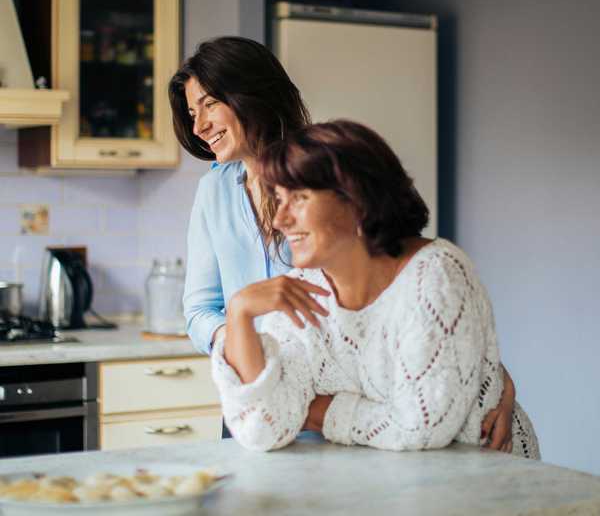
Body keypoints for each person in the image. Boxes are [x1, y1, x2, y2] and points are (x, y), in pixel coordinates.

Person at [169, 36, 516, 451]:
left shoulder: (328, 165)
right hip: (264, 393)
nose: (199, 126)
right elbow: (199, 310)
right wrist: (249, 342)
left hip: (356, 402)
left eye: (209, 104)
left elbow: (412, 294)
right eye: (192, 113)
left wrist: (488, 378)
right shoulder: (214, 192)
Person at [211, 120, 540, 458]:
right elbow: (264, 427)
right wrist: (239, 313)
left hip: (489, 487)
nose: (280, 219)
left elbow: (421, 427)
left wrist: (316, 411)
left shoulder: (436, 273)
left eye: (298, 198)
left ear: (356, 200)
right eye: (278, 199)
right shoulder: (305, 290)